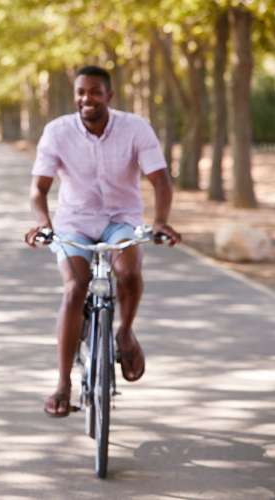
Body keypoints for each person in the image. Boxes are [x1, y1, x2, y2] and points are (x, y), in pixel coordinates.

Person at [24, 65, 181, 418]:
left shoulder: (135, 128)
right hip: (74, 223)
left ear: (109, 96)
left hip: (120, 221)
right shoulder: (57, 132)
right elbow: (39, 189)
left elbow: (161, 181)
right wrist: (43, 224)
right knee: (75, 287)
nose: (86, 98)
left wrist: (160, 222)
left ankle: (124, 332)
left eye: (95, 92)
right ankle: (63, 383)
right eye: (81, 92)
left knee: (127, 272)